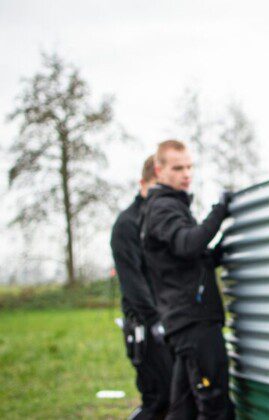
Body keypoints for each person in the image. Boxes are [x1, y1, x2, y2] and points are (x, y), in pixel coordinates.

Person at [141, 139, 234, 419]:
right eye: (178, 168)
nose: (186, 174)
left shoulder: (172, 206)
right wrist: (219, 211)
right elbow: (187, 244)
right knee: (215, 405)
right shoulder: (162, 208)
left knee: (184, 408)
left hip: (187, 322)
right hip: (193, 322)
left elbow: (192, 259)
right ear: (159, 170)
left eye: (190, 167)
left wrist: (221, 249)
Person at [111, 155, 173, 419]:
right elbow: (133, 283)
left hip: (171, 320)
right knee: (158, 400)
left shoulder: (162, 220)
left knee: (177, 398)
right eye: (155, 187)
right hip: (146, 328)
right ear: (143, 183)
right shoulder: (127, 225)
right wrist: (155, 322)